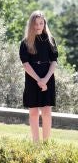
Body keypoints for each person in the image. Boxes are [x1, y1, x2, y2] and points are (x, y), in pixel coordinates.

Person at [19, 10, 58, 142]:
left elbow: (54, 61)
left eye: (41, 23)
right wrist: (39, 80)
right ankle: (35, 143)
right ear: (31, 25)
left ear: (44, 24)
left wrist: (45, 79)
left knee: (47, 112)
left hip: (48, 78)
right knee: (34, 112)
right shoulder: (25, 43)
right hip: (32, 79)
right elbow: (26, 64)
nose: (38, 26)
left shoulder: (50, 40)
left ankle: (46, 142)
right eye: (35, 23)